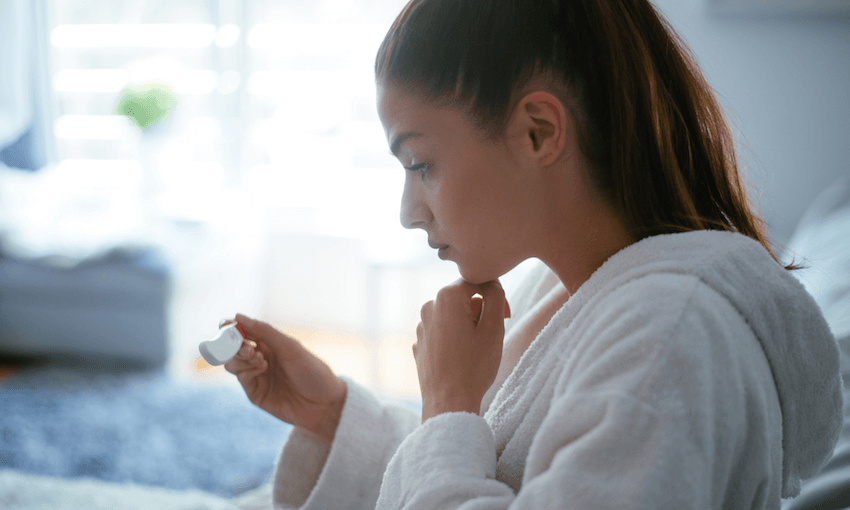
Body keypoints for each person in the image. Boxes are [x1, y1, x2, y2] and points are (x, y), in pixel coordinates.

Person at [224, 0, 842, 508]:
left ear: (538, 132)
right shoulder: (562, 293)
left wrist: (448, 401)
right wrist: (333, 413)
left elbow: (463, 455)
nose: (409, 212)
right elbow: (499, 470)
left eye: (421, 164)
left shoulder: (669, 339)